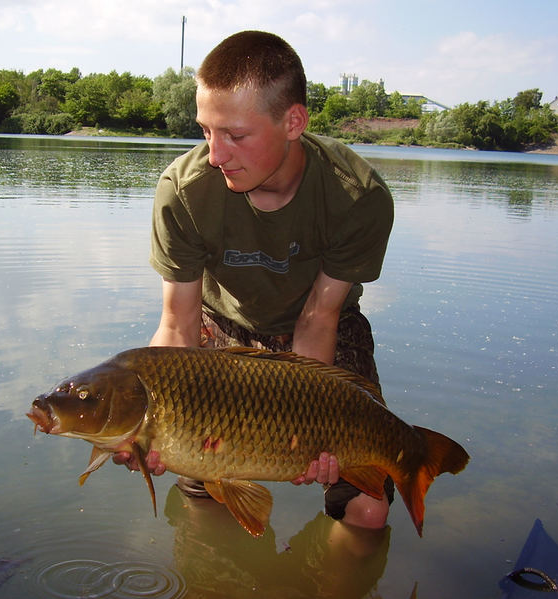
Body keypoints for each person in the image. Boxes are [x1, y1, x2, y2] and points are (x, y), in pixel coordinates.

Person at [114, 30, 395, 530]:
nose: (216, 154)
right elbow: (177, 326)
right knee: (203, 497)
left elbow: (317, 319)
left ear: (294, 122)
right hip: (221, 333)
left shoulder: (357, 197)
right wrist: (152, 424)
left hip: (320, 330)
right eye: (205, 131)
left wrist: (314, 432)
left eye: (235, 135)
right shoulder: (183, 192)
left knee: (368, 510)